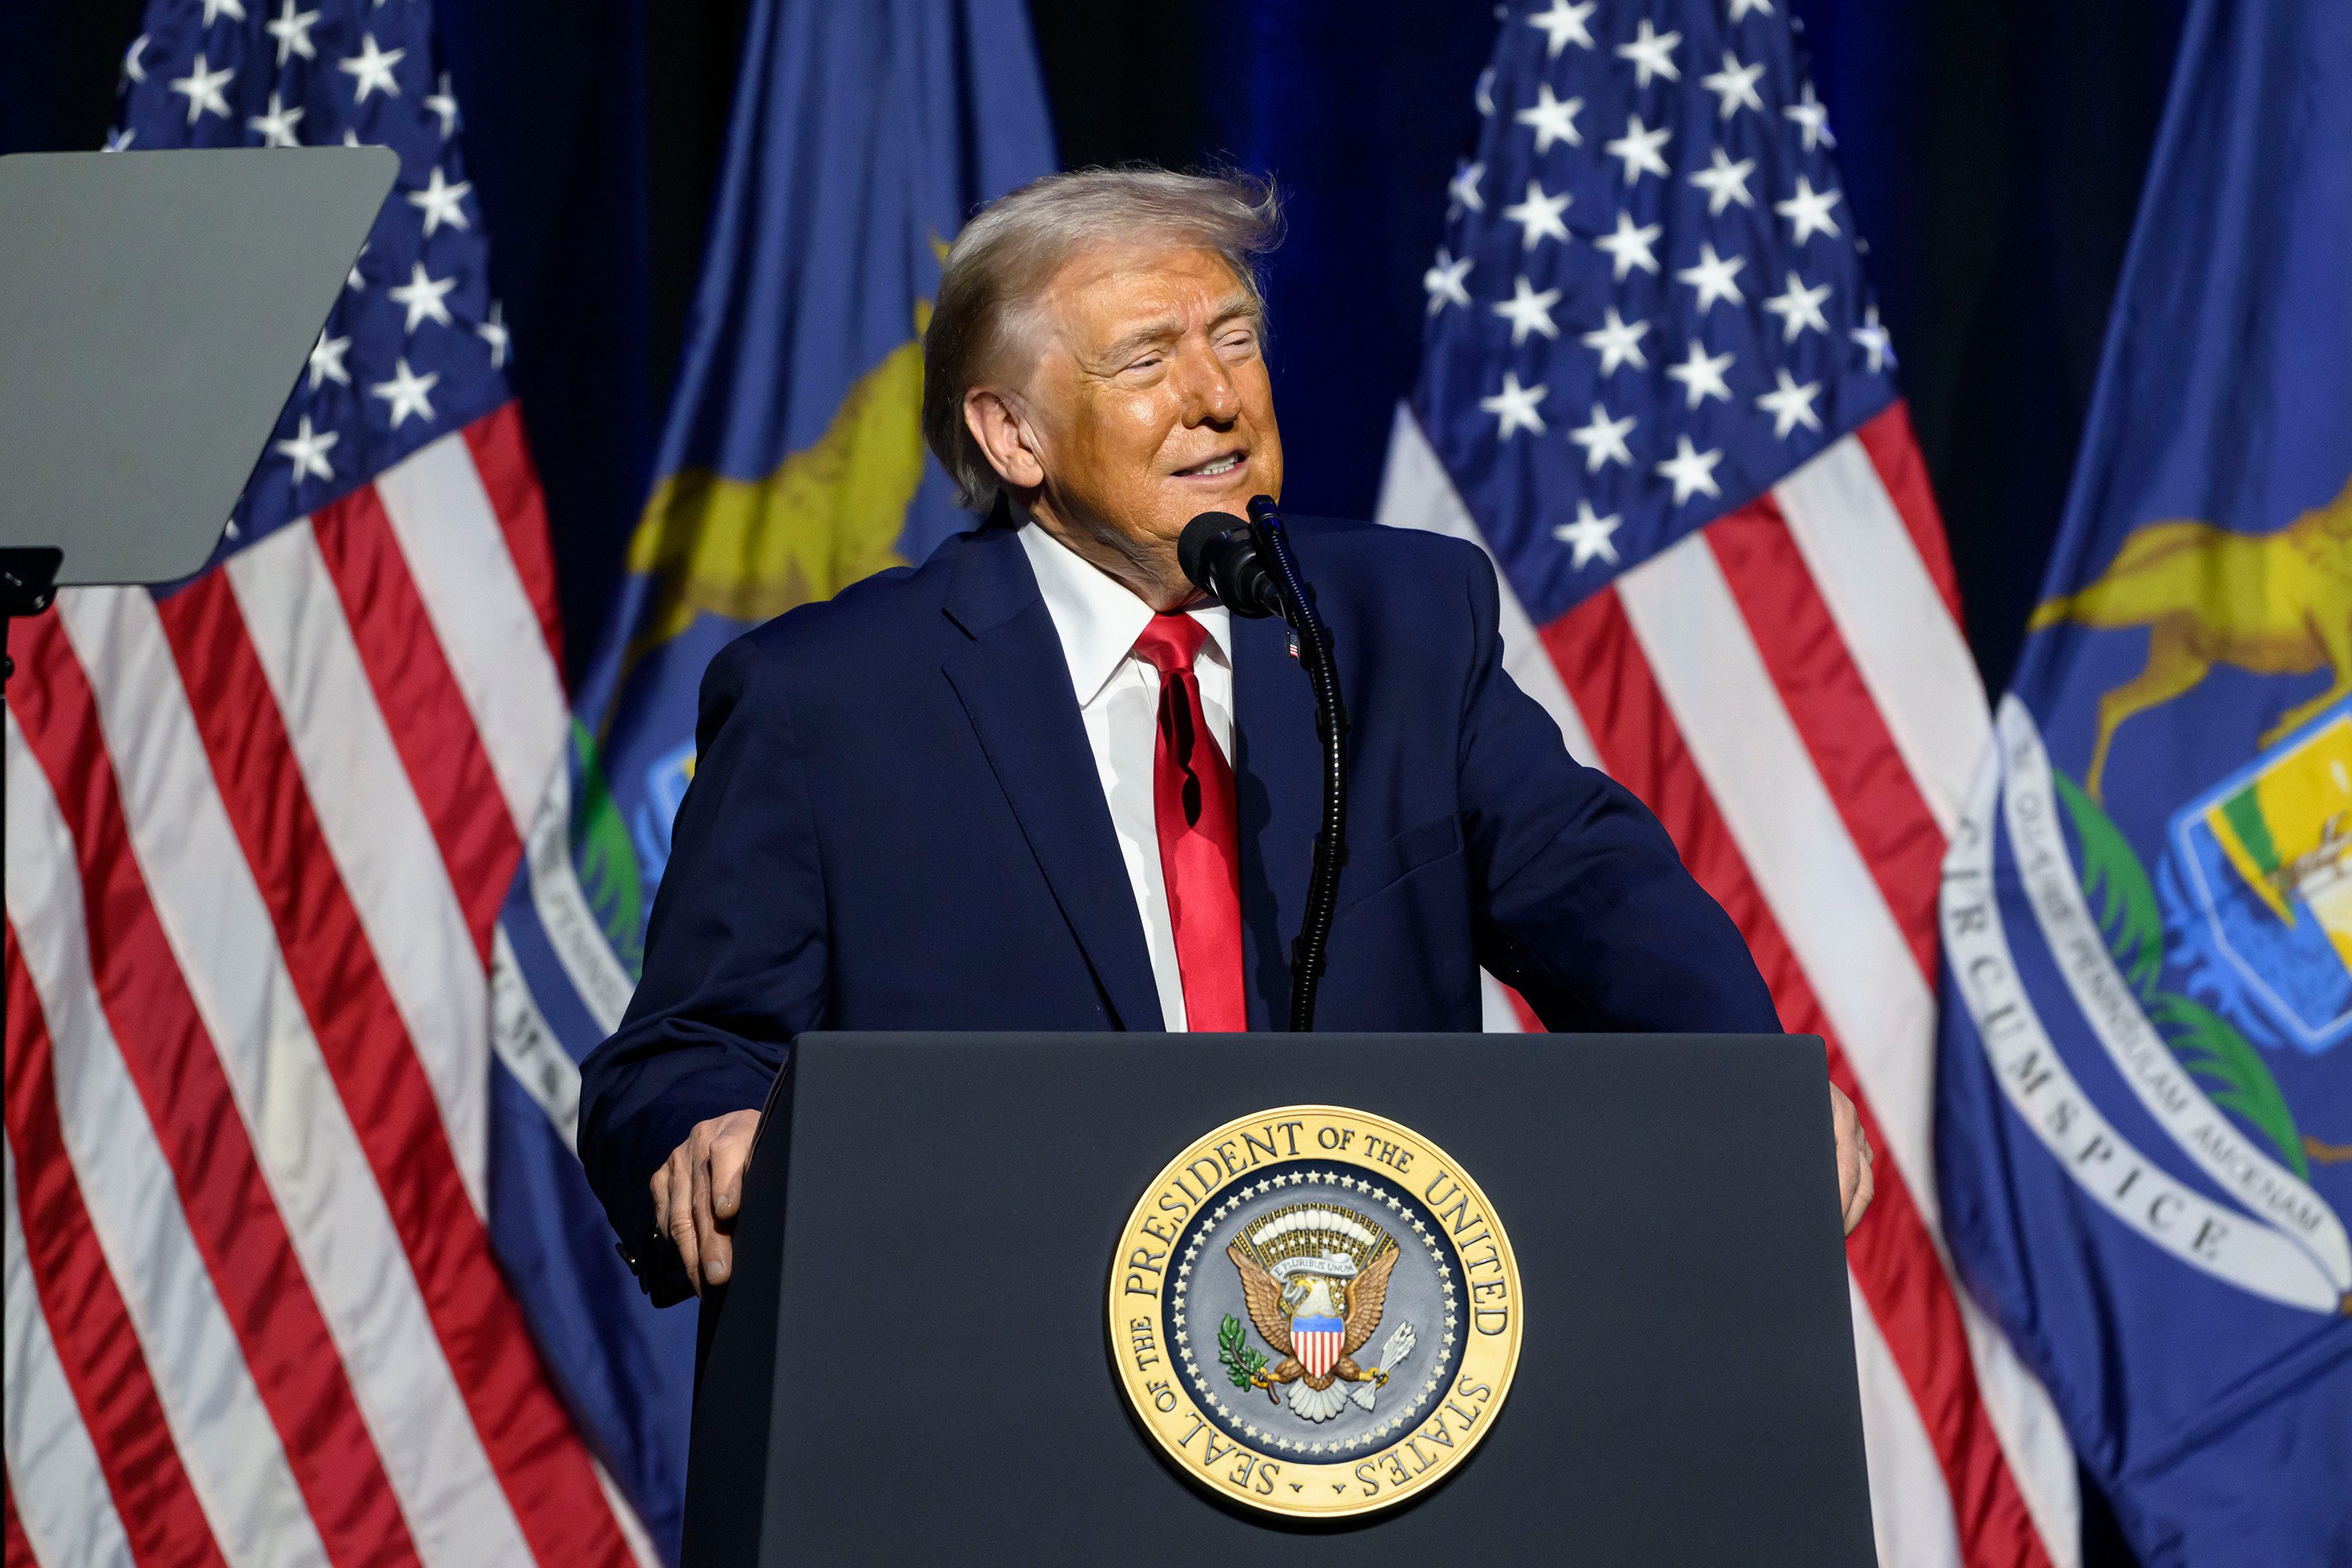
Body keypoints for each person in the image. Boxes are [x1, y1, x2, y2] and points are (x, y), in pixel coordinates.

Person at [579, 169, 1874, 1305]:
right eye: (1145, 360)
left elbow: (1598, 892)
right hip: (998, 1378)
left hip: (1361, 1371)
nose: (1214, 397)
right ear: (1011, 433)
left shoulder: (1401, 624)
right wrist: (712, 1129)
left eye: (1236, 339)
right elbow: (680, 1053)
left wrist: (1746, 1088)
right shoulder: (832, 701)